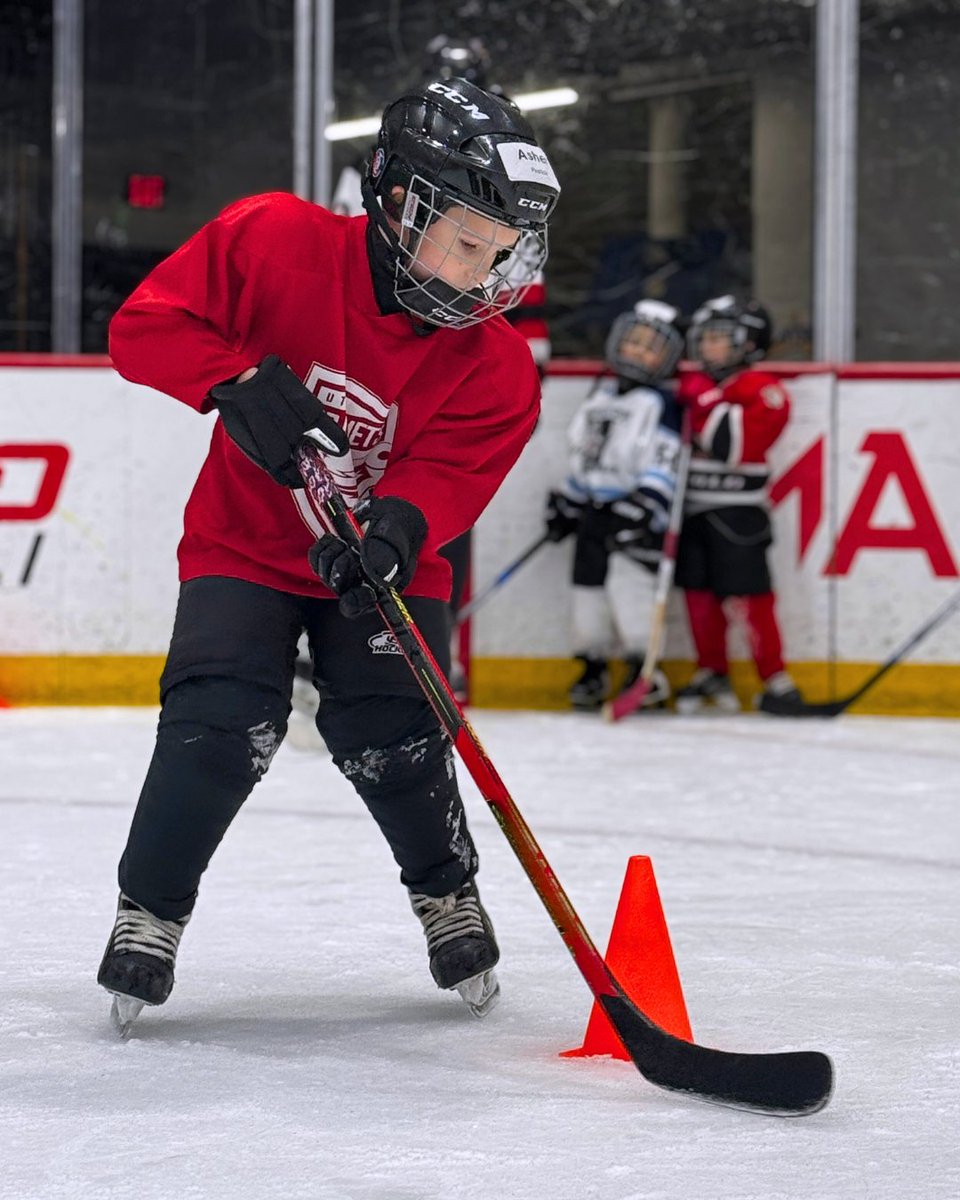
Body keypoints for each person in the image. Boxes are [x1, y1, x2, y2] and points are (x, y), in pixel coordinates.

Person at [96, 77, 561, 1029]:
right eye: (467, 241)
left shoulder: (500, 365)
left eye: (500, 250)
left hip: (382, 560)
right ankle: (150, 910)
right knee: (219, 719)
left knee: (395, 733)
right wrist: (231, 382)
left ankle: (446, 892)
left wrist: (396, 532)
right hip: (243, 543)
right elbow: (143, 327)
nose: (484, 274)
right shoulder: (275, 239)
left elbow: (448, 476)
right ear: (397, 202)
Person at [543, 300, 685, 710]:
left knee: (630, 588)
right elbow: (584, 453)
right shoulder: (598, 398)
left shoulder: (660, 404)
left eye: (651, 347)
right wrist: (568, 499)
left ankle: (645, 670)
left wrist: (647, 503)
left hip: (635, 514)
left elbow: (665, 459)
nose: (638, 351)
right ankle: (592, 667)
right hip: (595, 512)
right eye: (633, 341)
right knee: (586, 589)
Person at [673, 294, 804, 715]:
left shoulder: (763, 390)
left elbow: (731, 446)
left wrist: (702, 398)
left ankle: (775, 679)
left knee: (750, 598)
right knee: (698, 596)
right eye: (705, 337)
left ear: (748, 343)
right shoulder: (705, 386)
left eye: (719, 338)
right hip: (692, 509)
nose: (706, 346)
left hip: (738, 515)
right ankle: (711, 670)